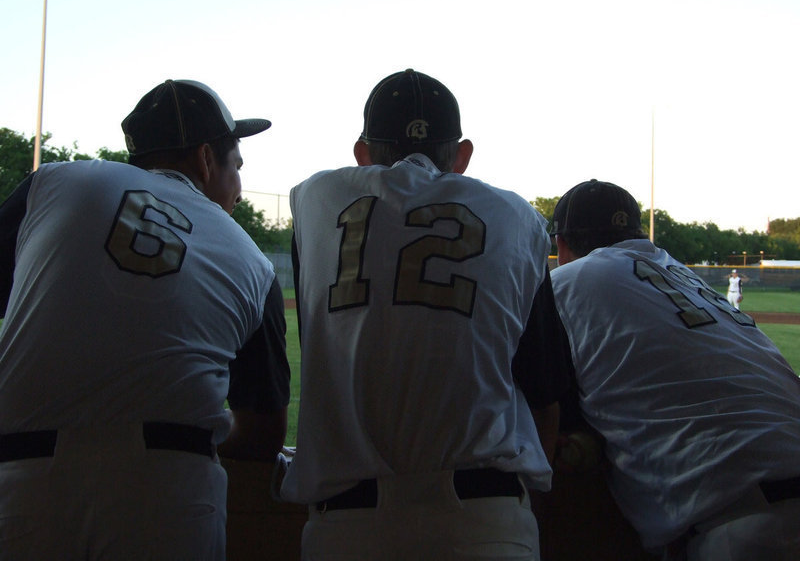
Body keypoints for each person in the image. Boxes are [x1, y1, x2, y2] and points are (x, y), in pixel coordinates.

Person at [279, 69, 573, 560]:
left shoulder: (315, 199)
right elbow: (545, 396)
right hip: (484, 520)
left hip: (348, 527)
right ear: (462, 156)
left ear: (362, 153)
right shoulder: (515, 215)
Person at [0, 79, 291, 560]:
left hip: (21, 485)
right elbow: (263, 434)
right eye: (236, 166)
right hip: (167, 493)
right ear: (205, 159)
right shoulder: (253, 260)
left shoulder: (56, 181)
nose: (238, 187)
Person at [549, 179, 800, 561]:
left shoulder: (564, 282)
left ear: (561, 245)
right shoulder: (694, 283)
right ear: (637, 236)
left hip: (744, 528)